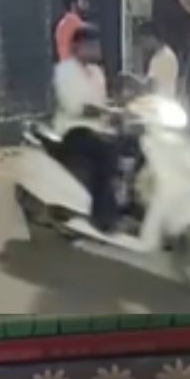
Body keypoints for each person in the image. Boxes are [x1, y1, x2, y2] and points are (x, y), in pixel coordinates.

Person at [52, 22, 121, 233]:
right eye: (90, 45)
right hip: (73, 130)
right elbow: (74, 106)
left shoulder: (97, 72)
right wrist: (103, 112)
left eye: (97, 45)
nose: (96, 50)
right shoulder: (64, 71)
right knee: (105, 152)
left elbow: (102, 102)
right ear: (76, 47)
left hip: (98, 129)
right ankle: (101, 216)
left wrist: (118, 110)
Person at [139, 21, 180, 102]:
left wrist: (133, 83)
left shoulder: (159, 59)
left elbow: (150, 87)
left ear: (151, 38)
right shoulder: (169, 53)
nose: (142, 46)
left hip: (159, 103)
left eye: (143, 41)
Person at [54, 0, 91, 64]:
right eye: (83, 1)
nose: (87, 4)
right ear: (73, 4)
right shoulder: (72, 23)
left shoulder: (65, 21)